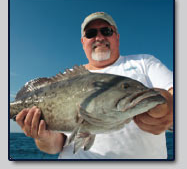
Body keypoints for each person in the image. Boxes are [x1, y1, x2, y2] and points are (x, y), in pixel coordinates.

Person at [15, 12, 173, 159]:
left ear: (117, 37)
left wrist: (169, 107)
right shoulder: (66, 80)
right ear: (83, 42)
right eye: (91, 34)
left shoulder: (144, 63)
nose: (99, 37)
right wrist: (42, 136)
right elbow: (54, 146)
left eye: (106, 31)